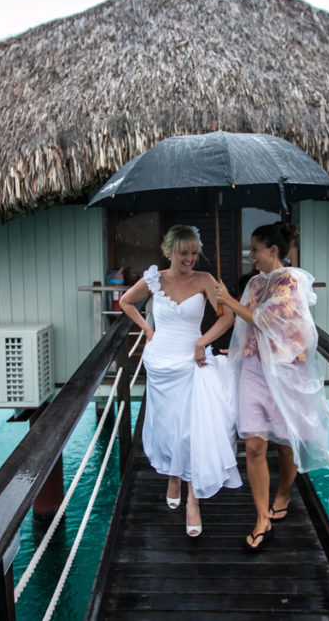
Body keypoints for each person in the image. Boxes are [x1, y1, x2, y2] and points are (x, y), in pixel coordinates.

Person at [119, 225, 241, 537]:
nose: (189, 258)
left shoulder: (205, 280)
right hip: (160, 362)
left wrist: (202, 342)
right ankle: (173, 475)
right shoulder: (154, 279)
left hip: (191, 363)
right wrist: (147, 328)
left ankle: (192, 498)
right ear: (169, 251)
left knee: (191, 430)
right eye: (183, 252)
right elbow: (126, 302)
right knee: (167, 425)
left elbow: (227, 317)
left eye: (193, 252)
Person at [215, 221, 327, 551]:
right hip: (253, 370)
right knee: (253, 444)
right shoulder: (254, 283)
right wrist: (234, 349)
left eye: (255, 250)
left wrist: (231, 302)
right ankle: (261, 517)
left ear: (273, 251)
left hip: (284, 372)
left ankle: (283, 492)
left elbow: (267, 318)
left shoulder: (291, 282)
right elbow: (246, 325)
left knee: (286, 441)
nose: (251, 256)